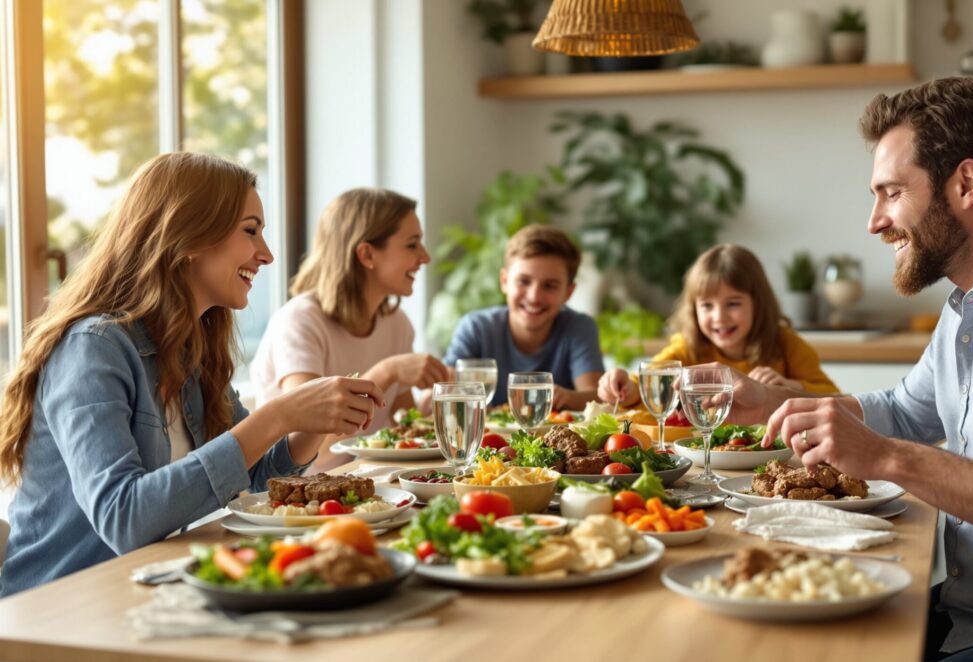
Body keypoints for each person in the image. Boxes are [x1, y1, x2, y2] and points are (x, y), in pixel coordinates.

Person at [731, 77, 973, 662]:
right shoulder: (970, 305)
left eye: (891, 192)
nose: (875, 221)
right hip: (972, 612)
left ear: (965, 184)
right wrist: (771, 403)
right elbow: (903, 410)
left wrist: (890, 459)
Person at [0, 153, 384, 597]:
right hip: (57, 608)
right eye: (250, 231)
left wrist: (311, 424)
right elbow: (124, 519)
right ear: (188, 236)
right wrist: (278, 415)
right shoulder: (94, 348)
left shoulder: (190, 349)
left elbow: (254, 478)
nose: (267, 254)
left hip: (142, 588)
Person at [251, 188, 447, 472]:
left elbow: (403, 425)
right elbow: (309, 448)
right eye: (412, 244)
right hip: (301, 489)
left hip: (367, 480)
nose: (425, 257)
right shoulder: (301, 321)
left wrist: (431, 412)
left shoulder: (397, 324)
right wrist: (386, 372)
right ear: (367, 254)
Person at [596, 243, 839, 407]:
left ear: (758, 303)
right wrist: (623, 386)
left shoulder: (785, 344)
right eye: (707, 306)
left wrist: (787, 386)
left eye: (733, 304)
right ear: (693, 309)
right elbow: (648, 382)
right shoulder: (688, 348)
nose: (719, 317)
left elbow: (834, 397)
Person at [442, 224, 603, 410]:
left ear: (568, 292)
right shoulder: (475, 328)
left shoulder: (579, 327)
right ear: (504, 281)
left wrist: (566, 397)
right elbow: (444, 394)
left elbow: (596, 397)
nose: (534, 297)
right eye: (523, 281)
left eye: (549, 286)